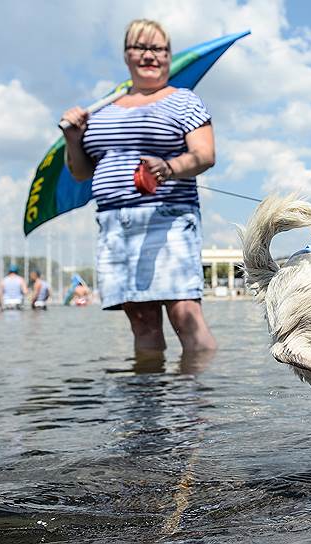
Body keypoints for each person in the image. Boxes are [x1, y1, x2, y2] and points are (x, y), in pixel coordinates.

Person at [59, 19, 216, 355]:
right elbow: (81, 173)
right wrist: (74, 139)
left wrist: (170, 167)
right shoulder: (100, 111)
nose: (150, 55)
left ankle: (199, 405)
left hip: (169, 217)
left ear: (169, 56)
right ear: (126, 55)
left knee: (185, 314)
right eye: (140, 48)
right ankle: (148, 405)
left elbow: (205, 155)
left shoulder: (183, 101)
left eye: (158, 49)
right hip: (115, 224)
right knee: (142, 322)